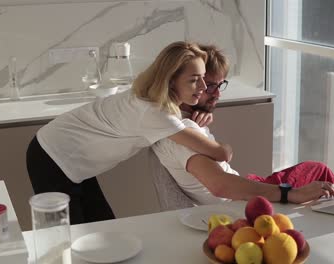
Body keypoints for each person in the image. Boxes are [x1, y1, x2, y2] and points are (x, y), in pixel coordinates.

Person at [26, 41, 234, 224]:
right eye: (194, 79)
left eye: (204, 80)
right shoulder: (156, 114)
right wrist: (216, 138)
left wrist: (202, 113)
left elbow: (179, 117)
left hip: (70, 154)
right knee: (70, 239)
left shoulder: (150, 95)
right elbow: (221, 153)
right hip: (51, 157)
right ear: (171, 80)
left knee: (102, 227)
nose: (204, 86)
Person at [152, 44, 334, 205]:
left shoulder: (172, 119)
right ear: (175, 83)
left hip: (243, 185)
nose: (216, 94)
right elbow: (220, 185)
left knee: (318, 171)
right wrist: (290, 194)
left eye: (219, 85)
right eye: (207, 85)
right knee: (320, 174)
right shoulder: (181, 132)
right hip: (240, 202)